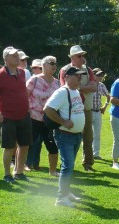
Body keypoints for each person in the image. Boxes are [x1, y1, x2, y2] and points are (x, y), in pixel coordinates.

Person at [0, 47, 32, 183]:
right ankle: (7, 174)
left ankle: (19, 172)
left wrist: (28, 107)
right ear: (6, 59)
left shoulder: (21, 73)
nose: (16, 57)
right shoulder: (0, 75)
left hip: (24, 115)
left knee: (24, 145)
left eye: (17, 55)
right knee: (9, 147)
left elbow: (22, 93)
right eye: (13, 55)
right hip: (8, 117)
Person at [43, 67, 86, 207]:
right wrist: (63, 122)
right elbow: (47, 109)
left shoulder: (76, 92)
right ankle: (61, 198)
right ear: (66, 77)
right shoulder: (62, 92)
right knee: (68, 166)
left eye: (81, 76)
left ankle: (66, 192)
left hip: (75, 135)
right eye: (77, 76)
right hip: (65, 135)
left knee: (68, 165)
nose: (80, 78)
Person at [60, 45, 97, 172]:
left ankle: (88, 164)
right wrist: (83, 86)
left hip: (86, 108)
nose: (82, 58)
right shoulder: (65, 70)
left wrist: (78, 86)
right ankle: (68, 165)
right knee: (69, 137)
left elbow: (94, 87)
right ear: (72, 57)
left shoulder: (88, 70)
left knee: (88, 137)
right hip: (70, 110)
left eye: (83, 55)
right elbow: (64, 88)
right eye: (79, 55)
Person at [25, 55, 60, 176]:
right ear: (43, 65)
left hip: (49, 119)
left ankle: (53, 171)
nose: (54, 66)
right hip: (33, 118)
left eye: (55, 63)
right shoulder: (34, 80)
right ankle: (20, 167)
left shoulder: (57, 83)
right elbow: (24, 96)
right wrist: (27, 111)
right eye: (51, 63)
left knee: (52, 145)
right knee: (27, 144)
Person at [91, 68, 110, 160]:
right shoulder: (89, 84)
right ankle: (87, 153)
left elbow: (108, 96)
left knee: (97, 134)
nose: (100, 77)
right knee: (88, 134)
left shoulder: (101, 85)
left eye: (101, 75)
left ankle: (96, 154)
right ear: (93, 75)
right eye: (98, 75)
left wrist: (105, 106)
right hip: (88, 111)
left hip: (98, 111)